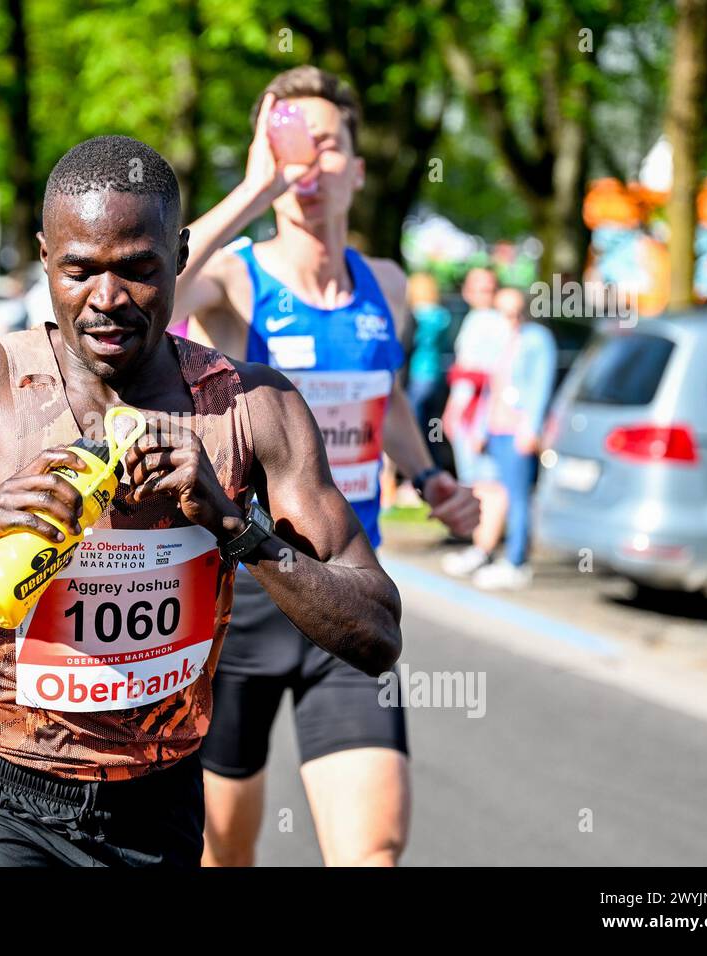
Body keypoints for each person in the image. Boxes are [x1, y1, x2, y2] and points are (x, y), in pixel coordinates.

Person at [0, 135, 403, 868]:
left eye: (137, 270)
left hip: (154, 806)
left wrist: (234, 525)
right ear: (44, 258)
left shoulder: (253, 408)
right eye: (79, 271)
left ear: (182, 253)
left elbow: (376, 628)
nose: (107, 299)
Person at [171, 66, 479, 867]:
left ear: (359, 168)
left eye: (326, 146)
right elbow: (154, 289)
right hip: (245, 593)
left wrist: (430, 478)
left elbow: (391, 400)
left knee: (372, 851)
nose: (308, 168)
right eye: (290, 148)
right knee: (221, 857)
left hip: (347, 590)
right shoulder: (238, 278)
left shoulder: (388, 284)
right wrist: (253, 185)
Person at [468, 287, 557, 590]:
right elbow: (491, 390)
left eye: (515, 312)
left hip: (516, 430)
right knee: (492, 492)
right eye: (504, 312)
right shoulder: (500, 342)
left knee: (518, 497)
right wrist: (480, 428)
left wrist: (530, 429)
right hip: (495, 428)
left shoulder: (537, 340)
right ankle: (484, 550)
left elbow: (540, 386)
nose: (511, 319)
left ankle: (517, 561)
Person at [441, 266, 509, 577]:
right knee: (476, 480)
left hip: (478, 413)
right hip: (468, 411)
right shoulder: (476, 321)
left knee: (487, 483)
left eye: (489, 288)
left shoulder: (493, 324)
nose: (483, 294)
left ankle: (482, 549)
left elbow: (490, 378)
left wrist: (475, 420)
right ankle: (478, 546)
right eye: (478, 288)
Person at [404, 272, 452, 439]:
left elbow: (410, 343)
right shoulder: (442, 316)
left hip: (418, 371)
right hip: (436, 372)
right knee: (433, 424)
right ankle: (434, 459)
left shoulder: (416, 316)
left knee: (414, 425)